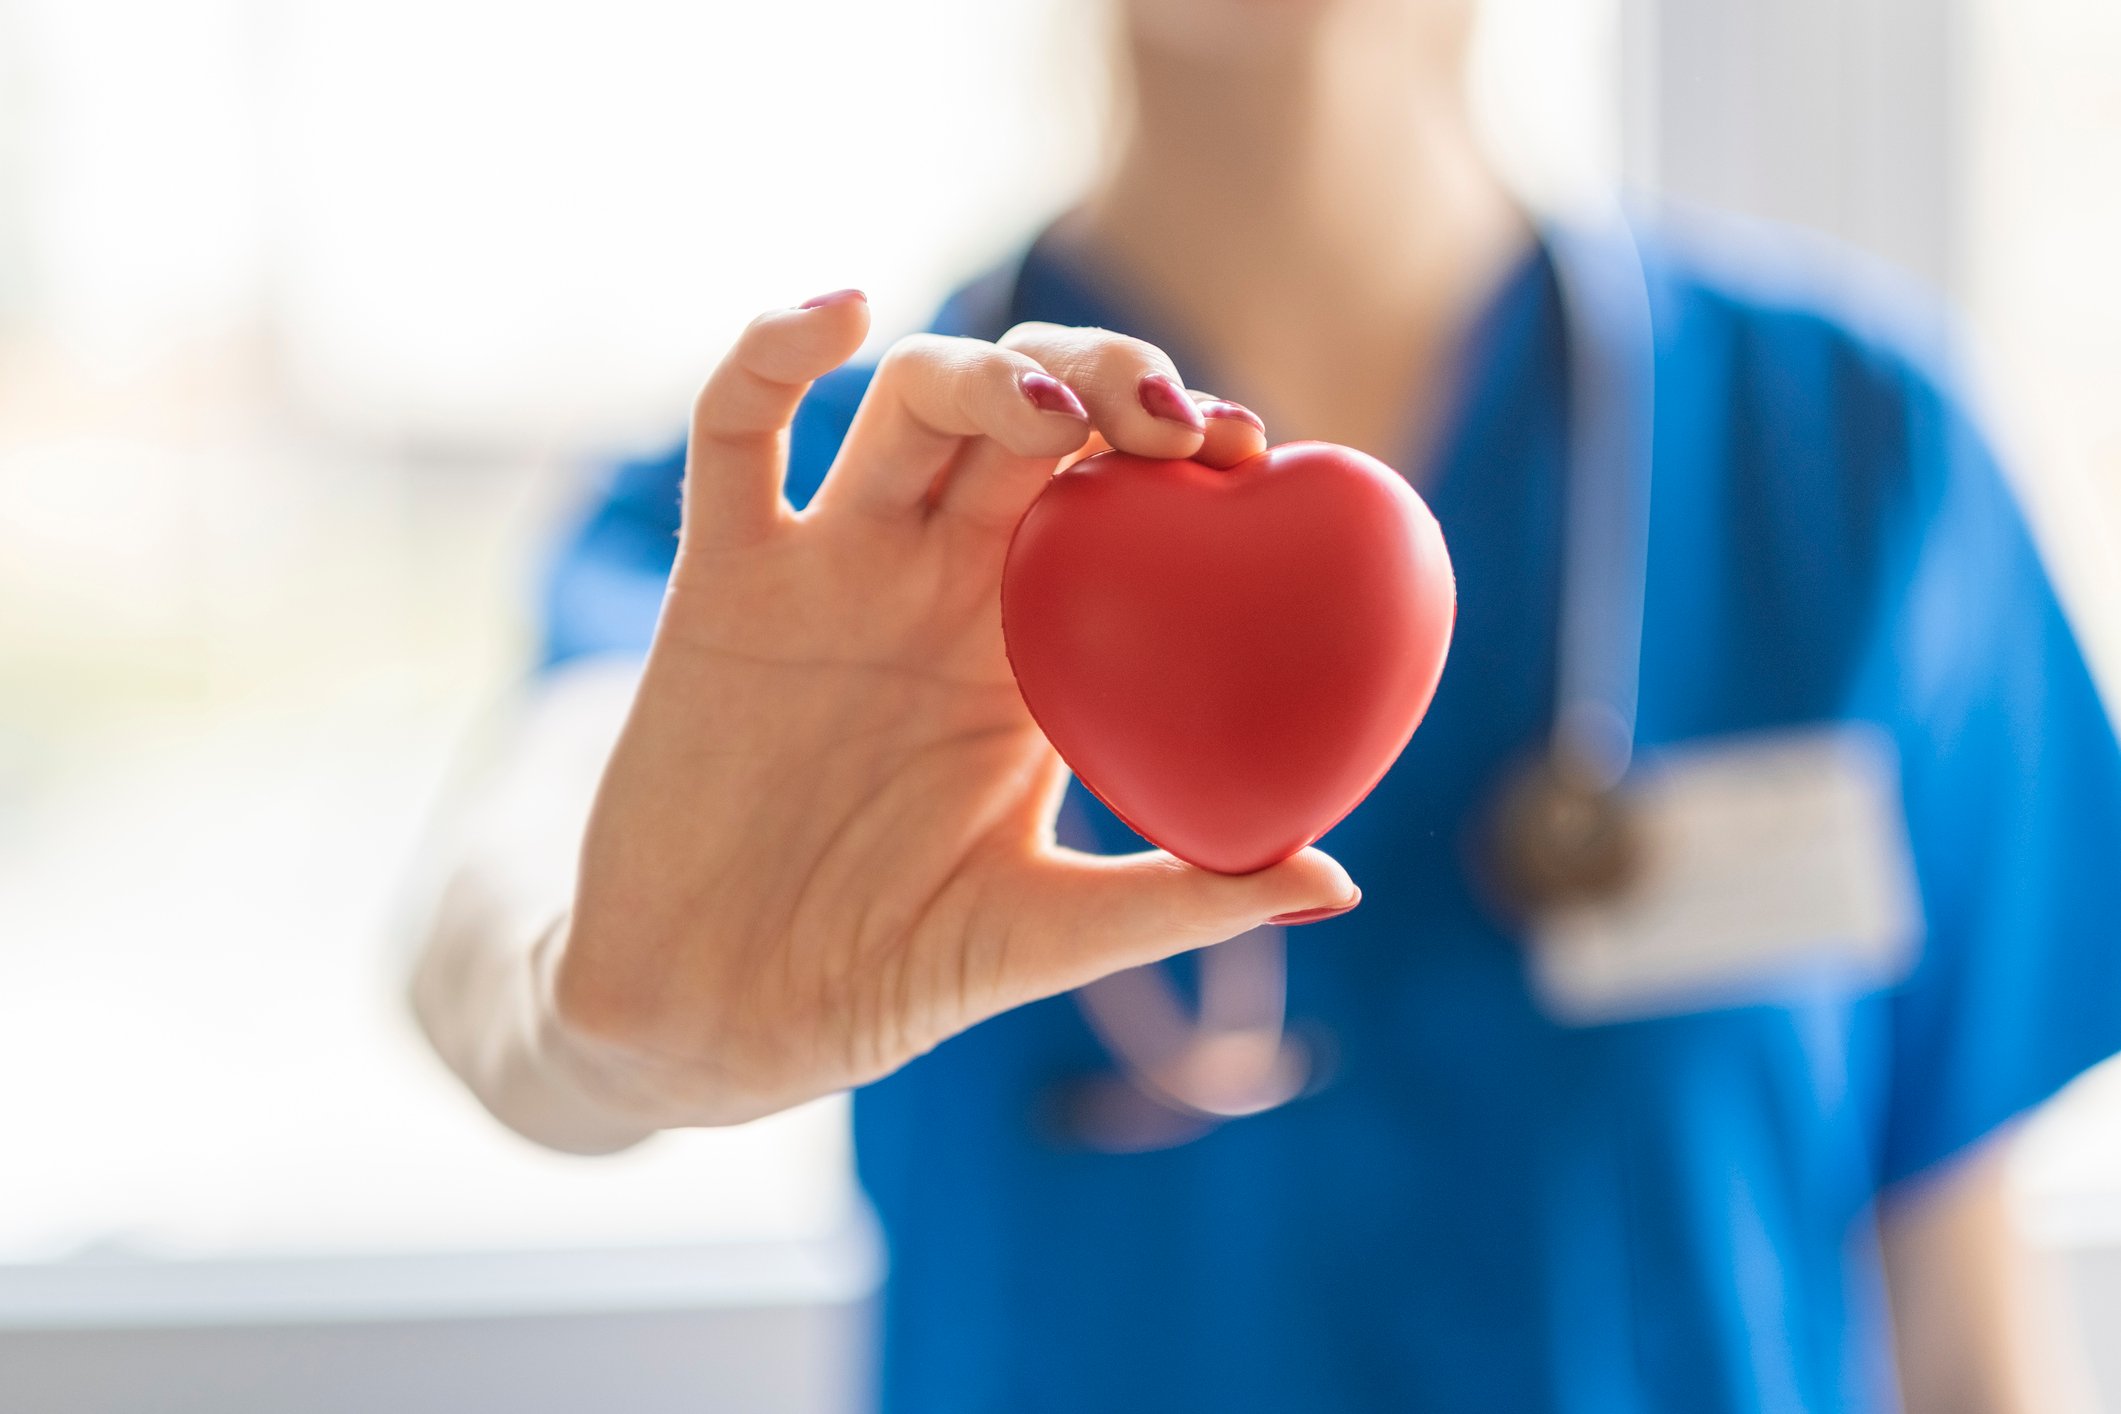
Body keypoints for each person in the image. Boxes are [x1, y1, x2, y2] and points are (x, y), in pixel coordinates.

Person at [409, 1, 2121, 1409]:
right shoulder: (795, 519)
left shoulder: (1854, 461)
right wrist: (602, 1019)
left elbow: (1956, 1319)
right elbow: (506, 890)